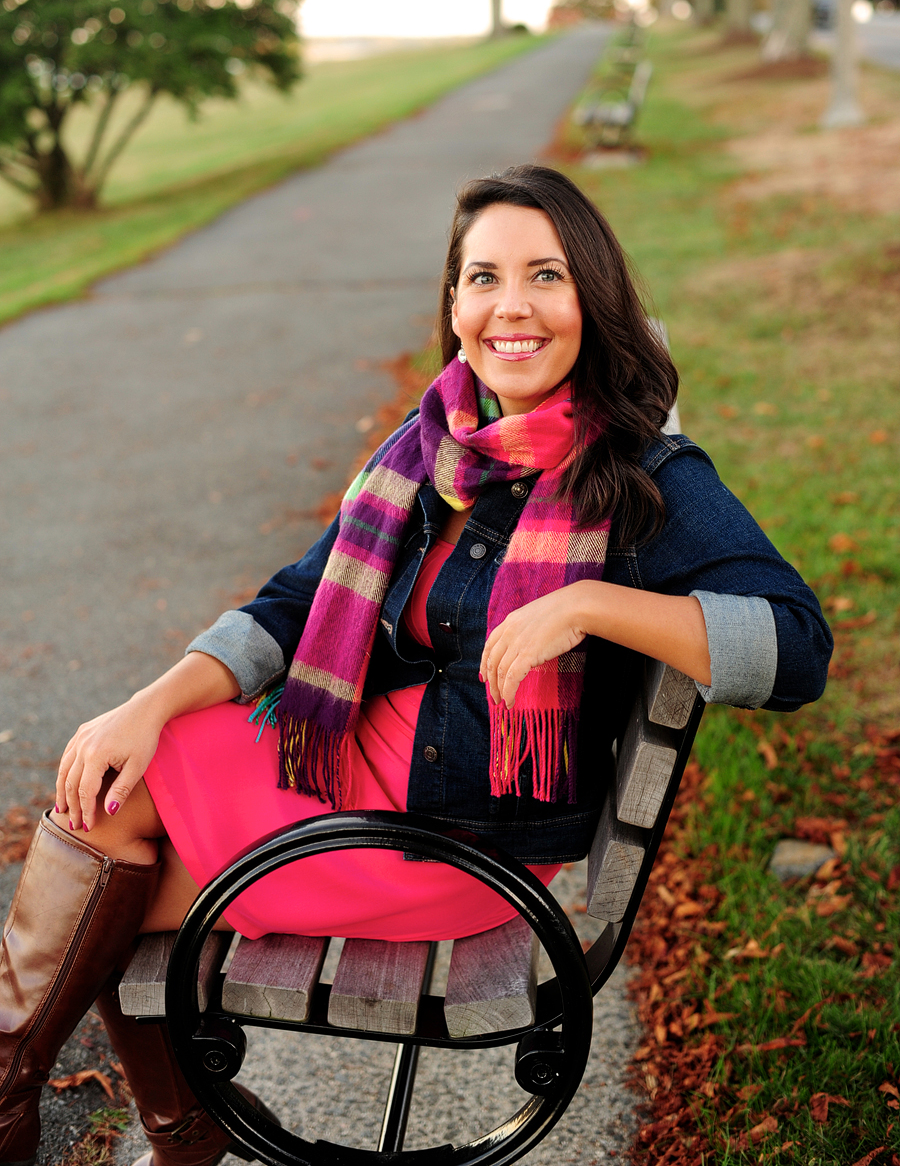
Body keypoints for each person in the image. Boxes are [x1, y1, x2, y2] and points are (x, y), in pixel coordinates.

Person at [0, 165, 832, 1166]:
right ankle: (126, 1120)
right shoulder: (432, 445)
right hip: (363, 771)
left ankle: (117, 1120)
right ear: (453, 302)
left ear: (593, 299)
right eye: (483, 277)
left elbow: (798, 648)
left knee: (106, 869)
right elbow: (297, 601)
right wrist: (150, 700)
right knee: (112, 797)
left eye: (545, 276)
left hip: (459, 839)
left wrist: (592, 601)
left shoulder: (643, 475)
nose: (510, 307)